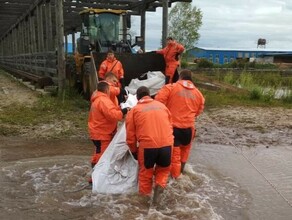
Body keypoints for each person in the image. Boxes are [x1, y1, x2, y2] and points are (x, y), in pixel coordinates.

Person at [125, 86, 174, 204]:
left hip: (148, 147)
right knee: (163, 171)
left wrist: (134, 151)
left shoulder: (134, 110)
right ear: (150, 95)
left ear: (137, 98)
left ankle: (144, 203)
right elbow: (170, 125)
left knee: (146, 175)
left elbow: (130, 137)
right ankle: (159, 189)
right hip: (167, 145)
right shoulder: (163, 107)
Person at [155, 69, 205, 179]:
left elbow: (158, 102)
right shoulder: (198, 93)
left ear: (180, 77)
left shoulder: (170, 87)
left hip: (174, 128)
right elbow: (198, 111)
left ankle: (176, 180)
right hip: (189, 129)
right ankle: (182, 173)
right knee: (185, 153)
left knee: (175, 157)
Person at [88, 81, 128, 174]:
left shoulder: (98, 99)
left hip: (97, 132)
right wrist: (124, 111)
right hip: (102, 133)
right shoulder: (103, 100)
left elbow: (109, 111)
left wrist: (119, 109)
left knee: (98, 151)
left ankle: (94, 169)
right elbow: (113, 115)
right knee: (102, 155)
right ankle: (97, 175)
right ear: (106, 90)